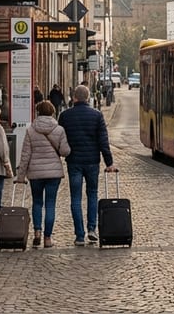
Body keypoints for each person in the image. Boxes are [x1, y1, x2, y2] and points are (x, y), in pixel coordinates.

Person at [58, 84, 118, 246]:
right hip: (92, 161)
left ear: (74, 98)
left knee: (75, 198)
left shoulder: (65, 116)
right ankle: (92, 228)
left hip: (74, 162)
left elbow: (60, 140)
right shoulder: (96, 115)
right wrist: (109, 162)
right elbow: (103, 141)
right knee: (92, 194)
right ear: (88, 97)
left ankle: (79, 235)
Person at [15, 100, 70, 249]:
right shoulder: (59, 130)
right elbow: (65, 152)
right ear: (52, 112)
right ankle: (47, 239)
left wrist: (20, 176)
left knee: (37, 202)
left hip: (35, 173)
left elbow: (25, 155)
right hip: (53, 174)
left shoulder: (31, 130)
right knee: (50, 204)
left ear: (38, 112)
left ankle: (37, 232)